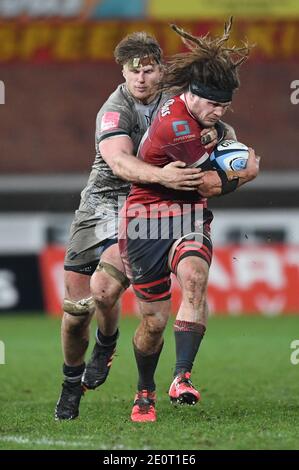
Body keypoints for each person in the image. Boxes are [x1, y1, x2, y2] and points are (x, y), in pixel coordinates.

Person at [54, 31, 222, 421]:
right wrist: (164, 176)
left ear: (161, 70)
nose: (142, 79)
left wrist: (221, 145)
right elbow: (118, 162)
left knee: (105, 288)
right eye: (134, 72)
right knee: (79, 307)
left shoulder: (179, 103)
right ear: (123, 74)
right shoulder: (114, 109)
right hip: (101, 204)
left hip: (147, 205)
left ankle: (118, 355)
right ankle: (79, 370)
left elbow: (217, 129)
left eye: (149, 70)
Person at [118, 19, 260, 422]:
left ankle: (182, 377)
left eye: (223, 106)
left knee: (195, 279)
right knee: (153, 320)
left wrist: (222, 146)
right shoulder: (178, 125)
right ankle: (145, 388)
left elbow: (204, 187)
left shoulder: (197, 114)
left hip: (187, 215)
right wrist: (246, 173)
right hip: (145, 220)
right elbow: (213, 184)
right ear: (193, 96)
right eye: (212, 105)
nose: (218, 113)